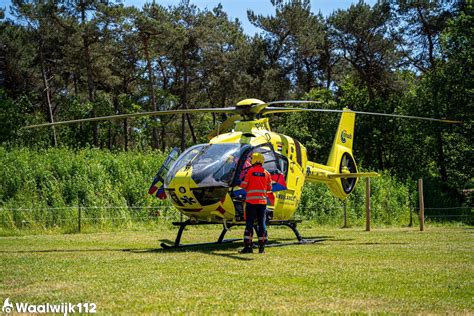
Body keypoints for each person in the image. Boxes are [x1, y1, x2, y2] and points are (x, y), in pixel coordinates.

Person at [239, 152, 272, 254]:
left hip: (251, 202)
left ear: (254, 160)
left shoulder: (250, 171)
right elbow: (269, 188)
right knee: (262, 224)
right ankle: (261, 248)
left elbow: (244, 185)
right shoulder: (267, 173)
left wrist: (239, 182)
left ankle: (248, 247)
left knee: (249, 224)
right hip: (262, 203)